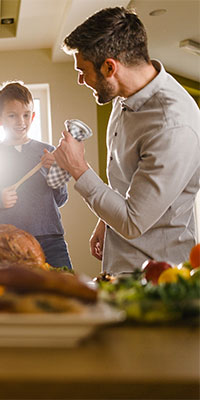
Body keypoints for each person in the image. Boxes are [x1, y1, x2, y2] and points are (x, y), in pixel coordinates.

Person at [53, 7, 200, 273]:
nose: (80, 79)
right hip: (119, 267)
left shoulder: (172, 125)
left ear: (110, 66)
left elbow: (133, 222)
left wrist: (78, 168)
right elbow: (128, 179)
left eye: (83, 70)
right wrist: (105, 221)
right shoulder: (123, 96)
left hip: (156, 279)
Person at [0, 82, 72, 269]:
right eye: (12, 116)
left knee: (65, 288)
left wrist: (53, 171)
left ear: (32, 116)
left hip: (51, 240)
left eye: (25, 115)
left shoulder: (48, 151)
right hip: (10, 242)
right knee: (15, 293)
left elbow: (61, 199)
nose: (21, 122)